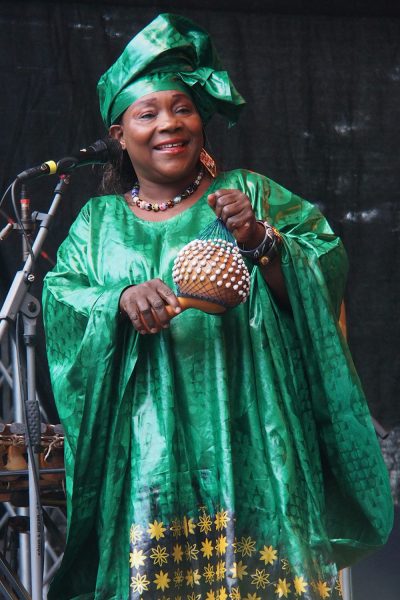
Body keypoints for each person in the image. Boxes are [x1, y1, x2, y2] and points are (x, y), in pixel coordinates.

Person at [42, 13, 393, 600]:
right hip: (149, 448)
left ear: (202, 118)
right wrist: (119, 301)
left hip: (255, 435)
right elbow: (63, 302)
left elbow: (323, 269)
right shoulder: (95, 225)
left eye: (181, 107)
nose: (168, 124)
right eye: (147, 113)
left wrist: (260, 240)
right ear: (118, 134)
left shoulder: (248, 193)